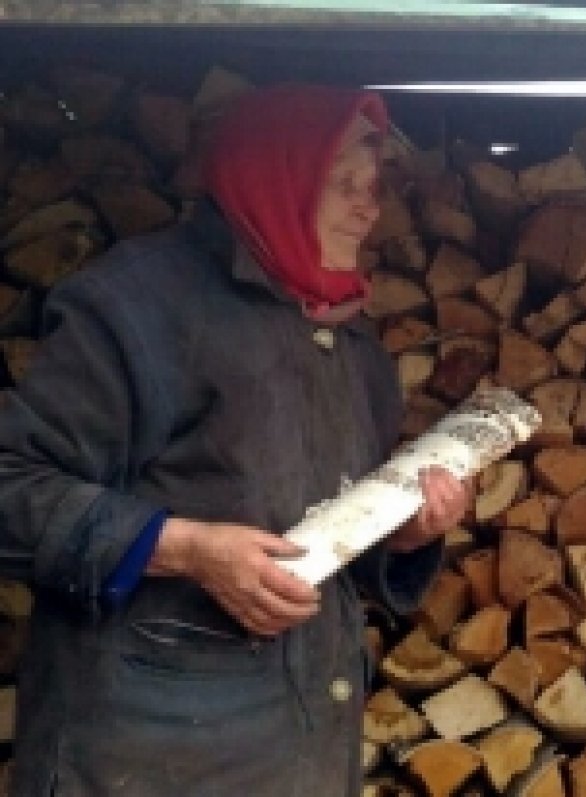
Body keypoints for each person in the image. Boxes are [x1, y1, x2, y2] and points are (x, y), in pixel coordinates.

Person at [0, 85, 469, 796]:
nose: (369, 208)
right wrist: (186, 549)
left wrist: (403, 538)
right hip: (143, 765)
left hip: (296, 752)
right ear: (281, 171)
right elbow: (10, 483)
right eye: (345, 181)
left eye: (373, 187)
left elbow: (318, 544)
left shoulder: (355, 351)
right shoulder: (139, 305)